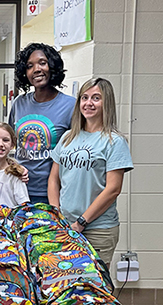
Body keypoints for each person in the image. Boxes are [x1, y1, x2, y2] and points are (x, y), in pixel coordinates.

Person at [48, 78, 133, 266]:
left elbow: (113, 189)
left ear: (106, 103)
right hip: (65, 226)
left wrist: (81, 222)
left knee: (96, 288)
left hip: (97, 229)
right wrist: (56, 215)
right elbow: (54, 179)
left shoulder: (114, 142)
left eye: (96, 98)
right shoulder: (67, 138)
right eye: (84, 98)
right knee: (66, 283)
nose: (88, 103)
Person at [8, 43, 76, 204]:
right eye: (29, 66)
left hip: (53, 192)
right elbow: (9, 142)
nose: (36, 69)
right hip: (18, 188)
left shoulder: (70, 105)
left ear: (52, 66)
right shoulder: (19, 103)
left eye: (42, 63)